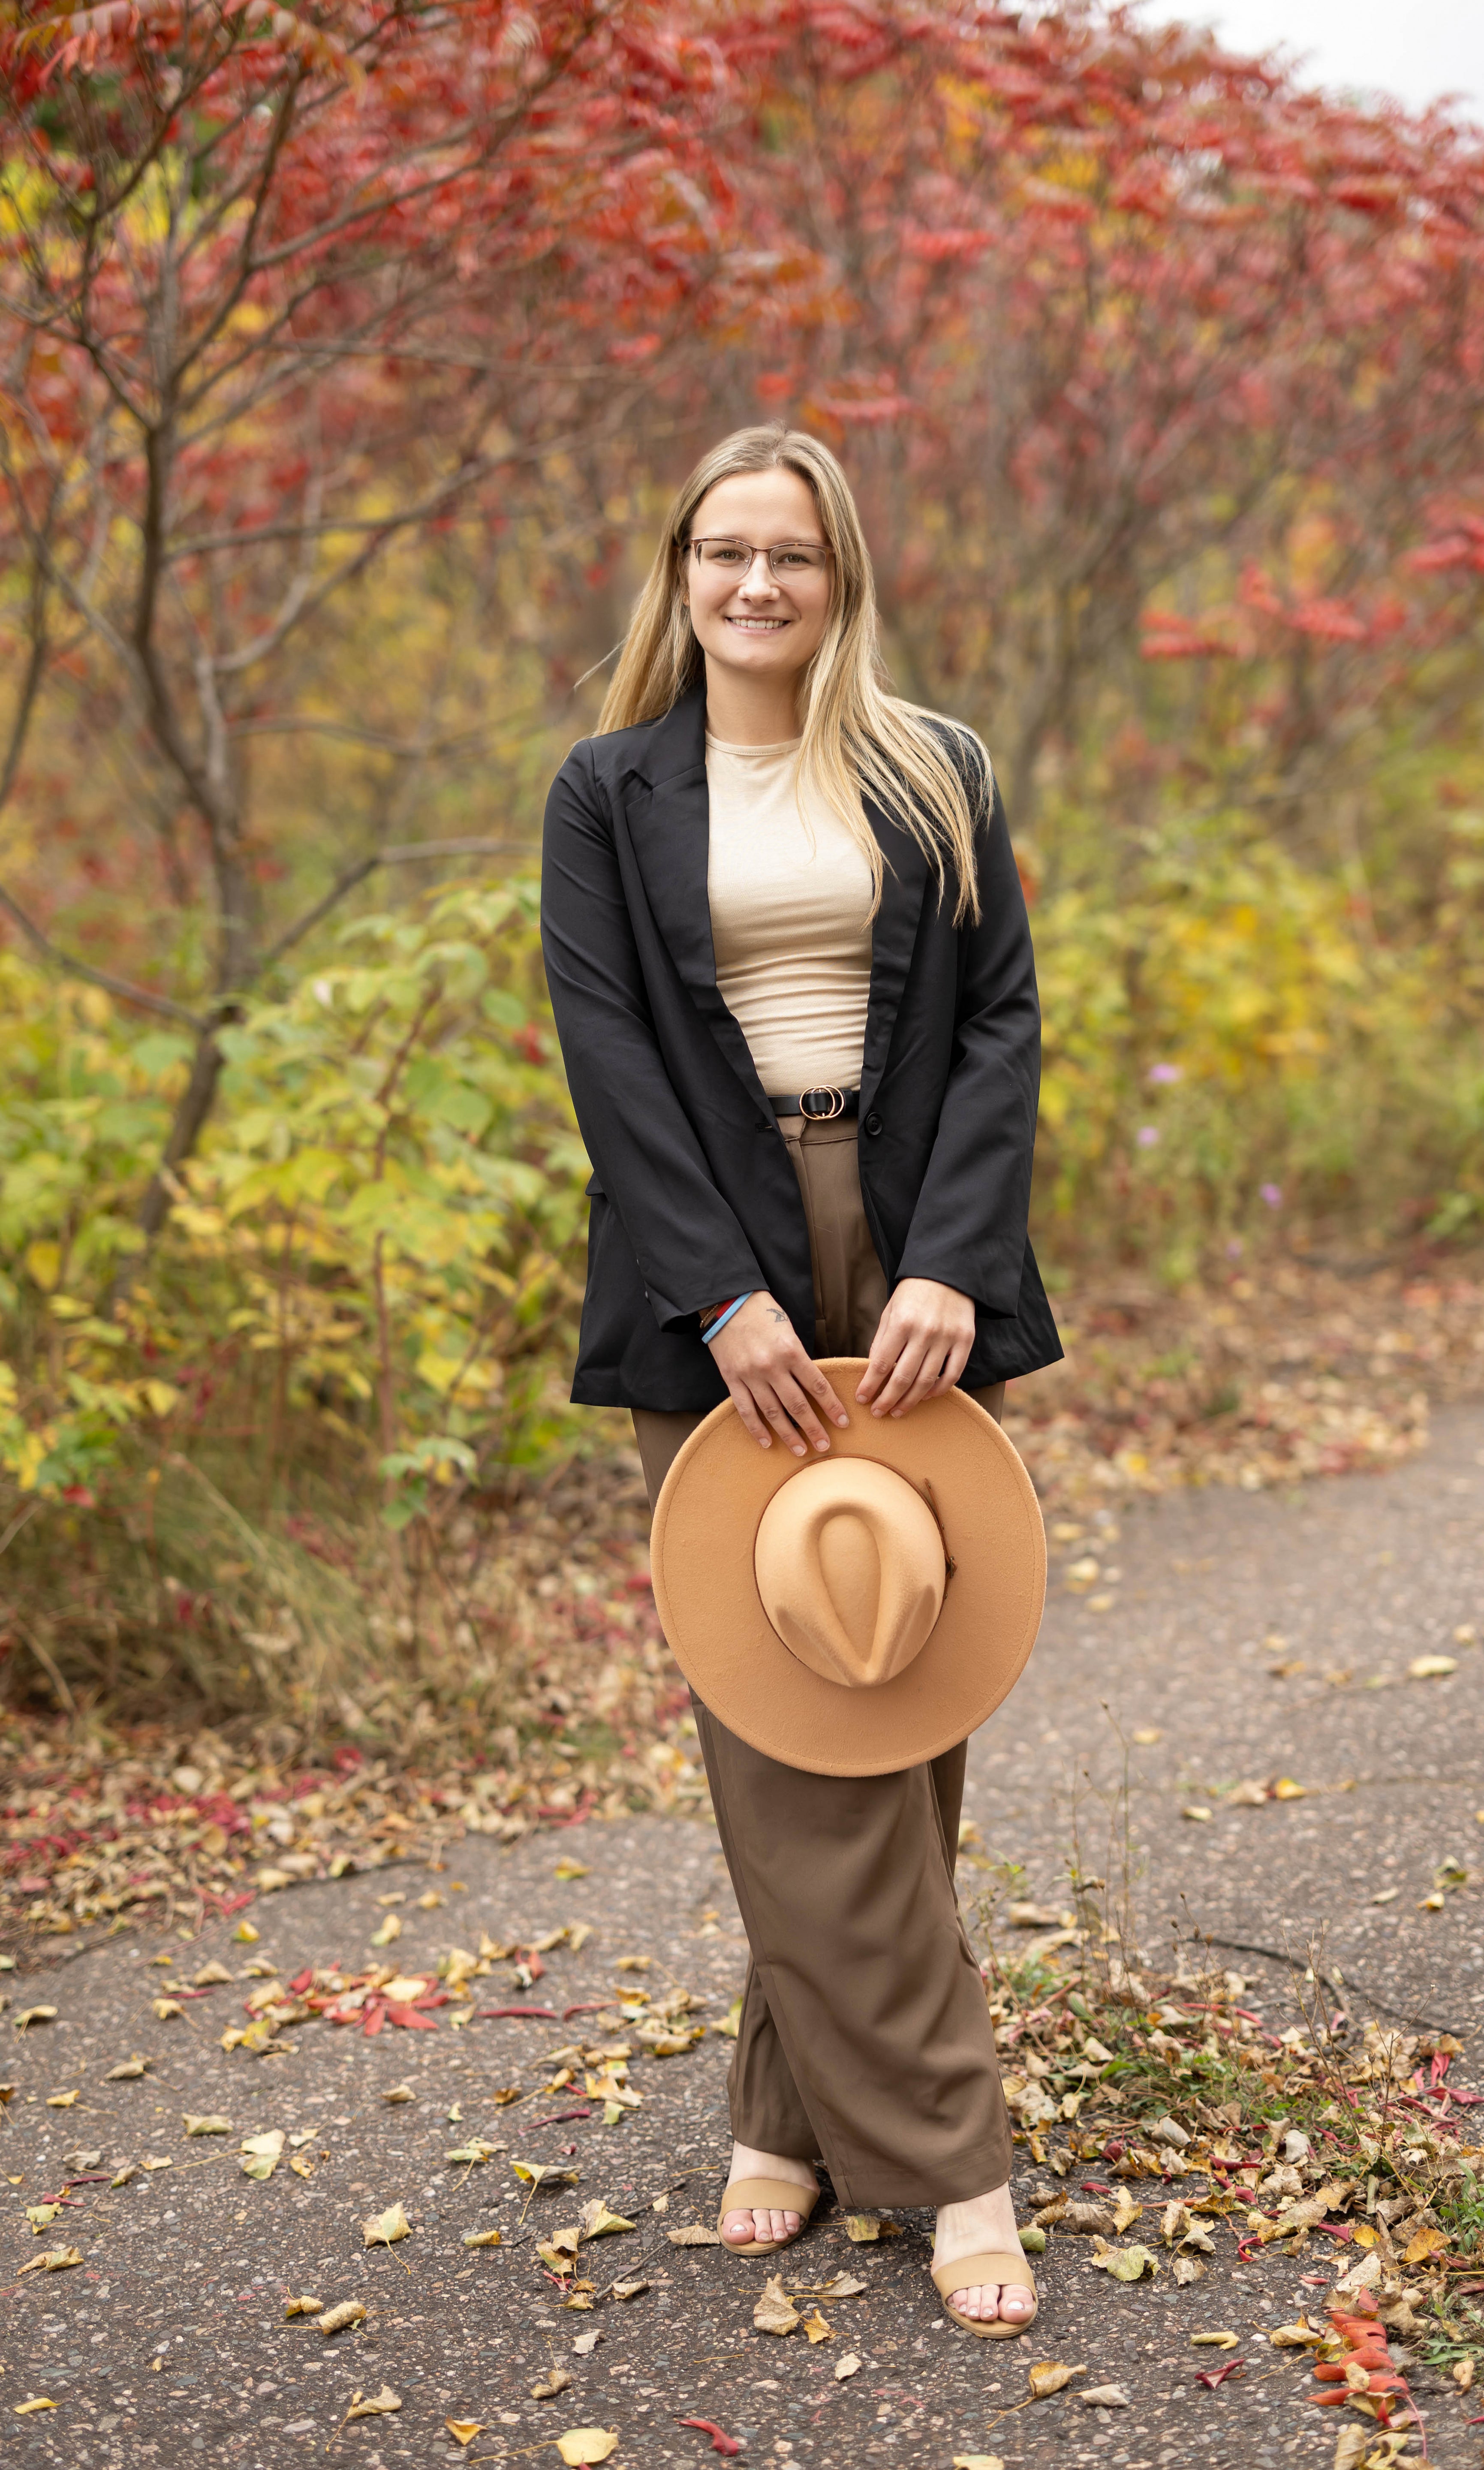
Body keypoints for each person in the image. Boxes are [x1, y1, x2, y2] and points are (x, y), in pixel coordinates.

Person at [539, 423, 1061, 2334]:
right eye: (725, 552)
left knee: (897, 1667)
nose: (758, 585)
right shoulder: (606, 793)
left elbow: (1001, 1020)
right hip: (720, 1269)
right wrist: (722, 1306)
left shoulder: (937, 770)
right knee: (784, 1695)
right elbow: (609, 1060)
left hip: (908, 1244)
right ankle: (951, 2156)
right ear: (679, 571)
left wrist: (949, 1260)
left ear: (841, 578)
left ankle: (786, 2109)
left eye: (795, 557)